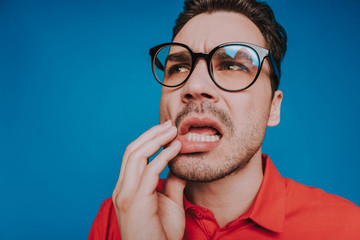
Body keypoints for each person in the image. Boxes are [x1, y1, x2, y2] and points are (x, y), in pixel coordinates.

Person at [89, 0, 360, 239]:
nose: (193, 85)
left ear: (273, 108)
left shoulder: (349, 228)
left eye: (232, 66)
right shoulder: (119, 216)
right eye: (179, 67)